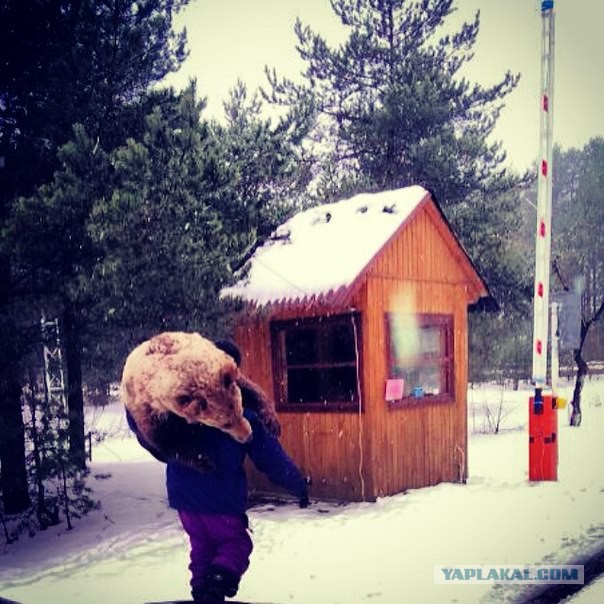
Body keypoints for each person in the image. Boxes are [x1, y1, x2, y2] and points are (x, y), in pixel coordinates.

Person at [126, 342, 309, 604]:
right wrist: (298, 484)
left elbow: (151, 434)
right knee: (236, 544)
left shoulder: (179, 408)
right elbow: (270, 458)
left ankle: (203, 595)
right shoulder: (240, 417)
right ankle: (214, 587)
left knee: (202, 548)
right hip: (220, 499)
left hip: (183, 498)